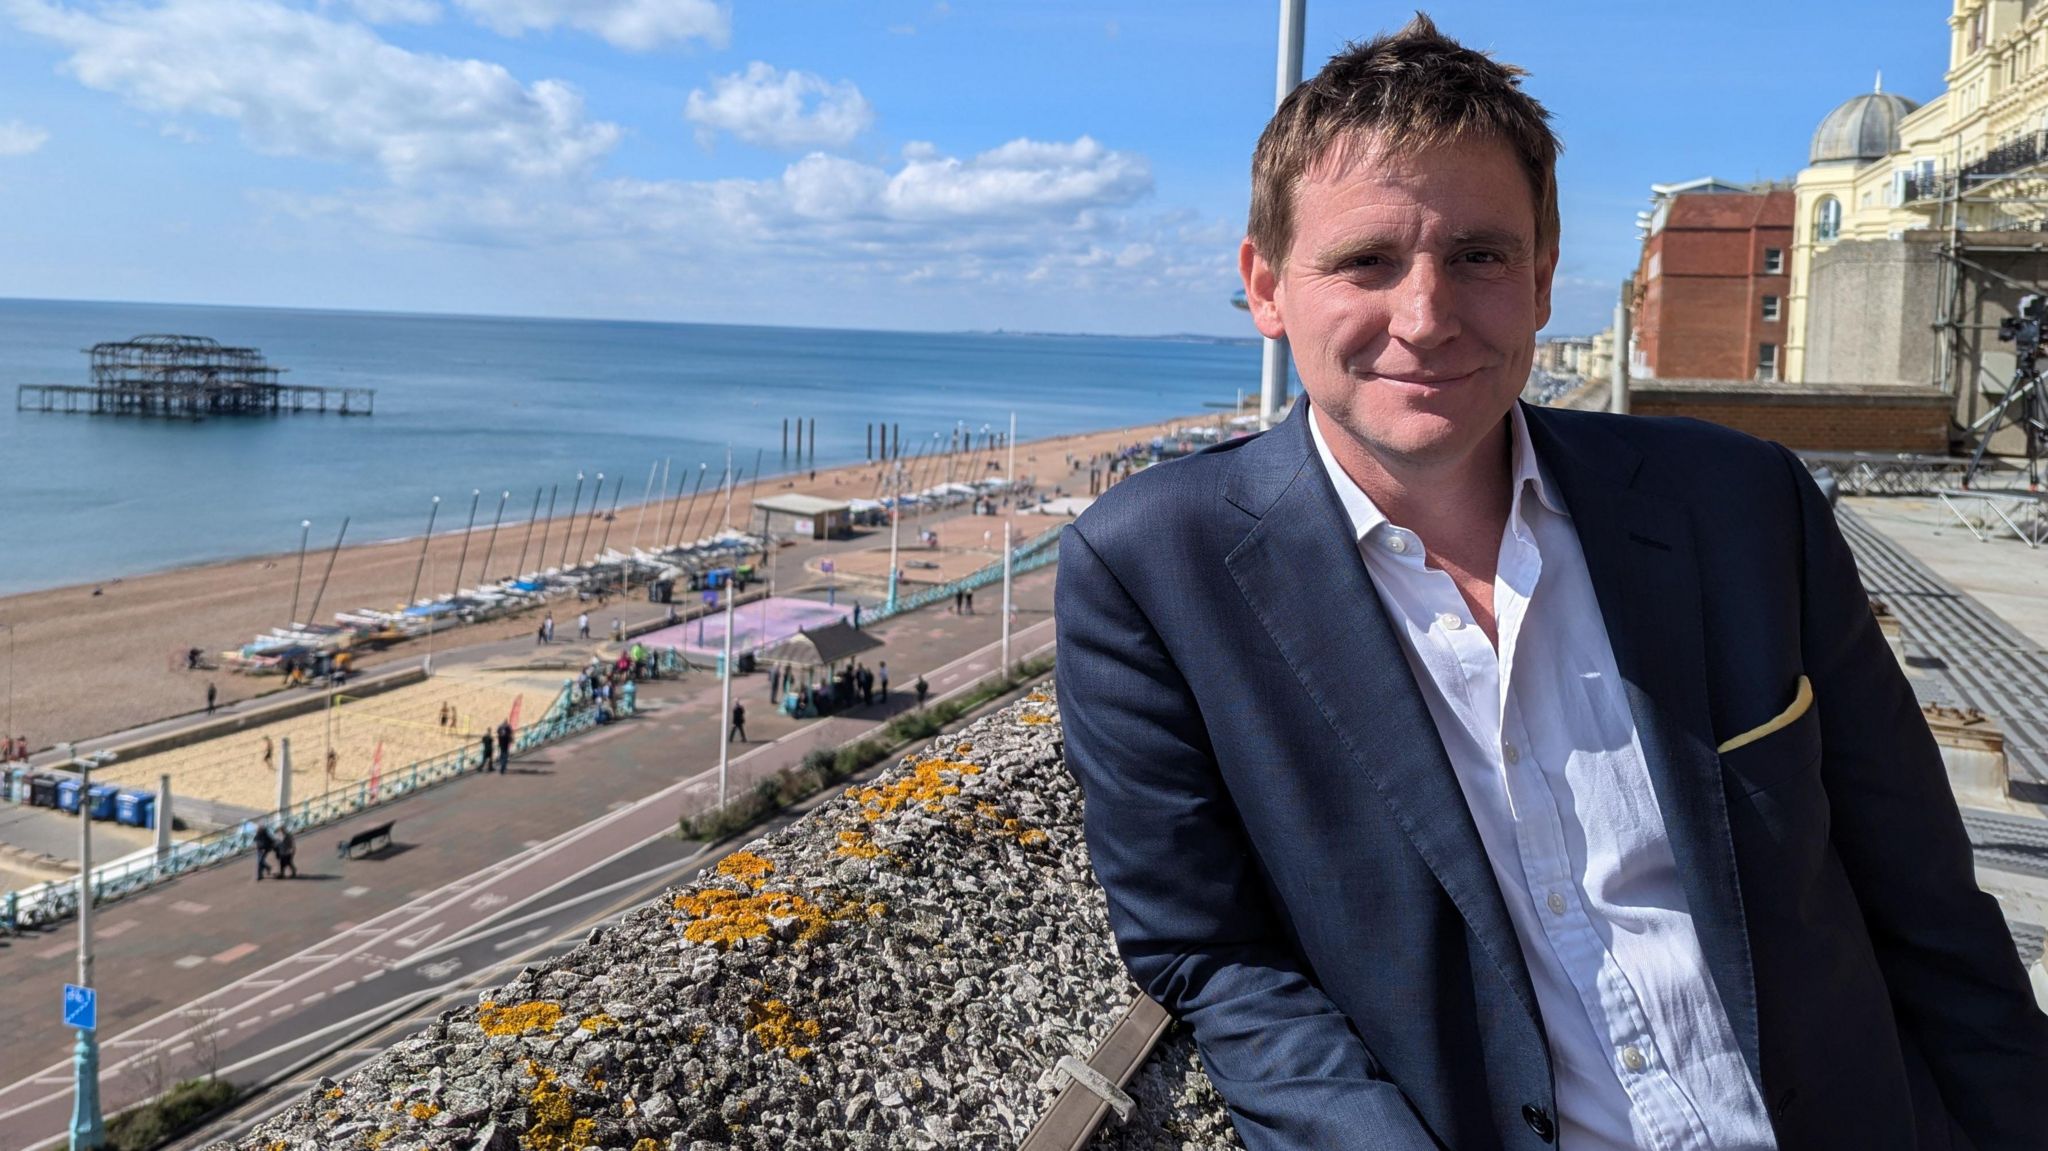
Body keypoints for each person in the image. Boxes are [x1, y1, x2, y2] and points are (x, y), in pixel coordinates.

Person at [1054, 18, 2048, 1151]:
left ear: (1539, 277)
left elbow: (1923, 892)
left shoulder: (1738, 504)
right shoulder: (1149, 570)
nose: (1424, 317)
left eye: (1476, 255)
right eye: (1365, 260)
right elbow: (1212, 953)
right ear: (1265, 287)